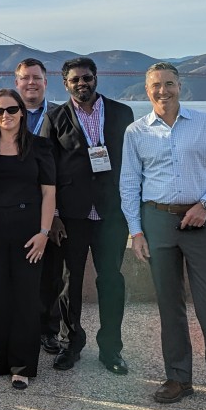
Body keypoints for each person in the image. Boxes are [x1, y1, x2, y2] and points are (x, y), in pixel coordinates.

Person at [120, 62, 206, 410]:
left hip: (201, 222)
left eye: (169, 84)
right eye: (155, 85)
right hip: (157, 220)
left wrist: (205, 205)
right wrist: (136, 231)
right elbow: (129, 184)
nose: (162, 91)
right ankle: (178, 379)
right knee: (169, 306)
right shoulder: (136, 132)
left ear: (180, 87)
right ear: (146, 90)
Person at [44, 57, 135, 375]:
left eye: (87, 77)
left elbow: (134, 163)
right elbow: (47, 171)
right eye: (75, 80)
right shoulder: (54, 117)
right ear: (65, 84)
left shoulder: (123, 113)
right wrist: (53, 215)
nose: (82, 83)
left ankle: (111, 349)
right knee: (70, 282)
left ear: (96, 79)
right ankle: (72, 345)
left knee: (111, 281)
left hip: (112, 213)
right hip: (71, 216)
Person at [0, 88, 55, 390]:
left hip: (29, 232)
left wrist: (44, 233)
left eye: (12, 110)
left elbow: (48, 192)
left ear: (22, 112)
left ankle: (22, 366)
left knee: (26, 299)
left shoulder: (40, 146)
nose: (6, 115)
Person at [15, 58, 67, 357]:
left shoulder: (61, 115)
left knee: (50, 275)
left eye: (36, 78)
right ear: (17, 82)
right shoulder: (4, 113)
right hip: (14, 208)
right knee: (16, 273)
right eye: (25, 78)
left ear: (46, 83)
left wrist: (57, 213)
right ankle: (19, 327)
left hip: (51, 208)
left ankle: (49, 331)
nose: (31, 83)